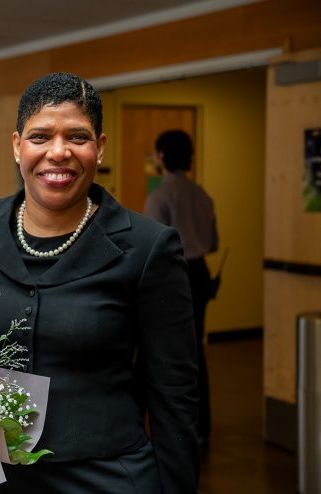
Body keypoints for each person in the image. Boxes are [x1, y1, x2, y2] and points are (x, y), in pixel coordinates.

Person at [0, 73, 200, 493]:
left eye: (77, 137)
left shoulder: (147, 247)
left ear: (99, 147)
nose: (58, 152)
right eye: (41, 136)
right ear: (17, 146)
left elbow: (175, 395)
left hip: (106, 474)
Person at [144, 129, 218, 449]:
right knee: (196, 349)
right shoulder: (202, 194)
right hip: (201, 271)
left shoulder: (160, 196)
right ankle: (202, 427)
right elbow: (213, 242)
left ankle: (177, 430)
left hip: (173, 275)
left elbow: (149, 249)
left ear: (161, 157)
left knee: (169, 354)